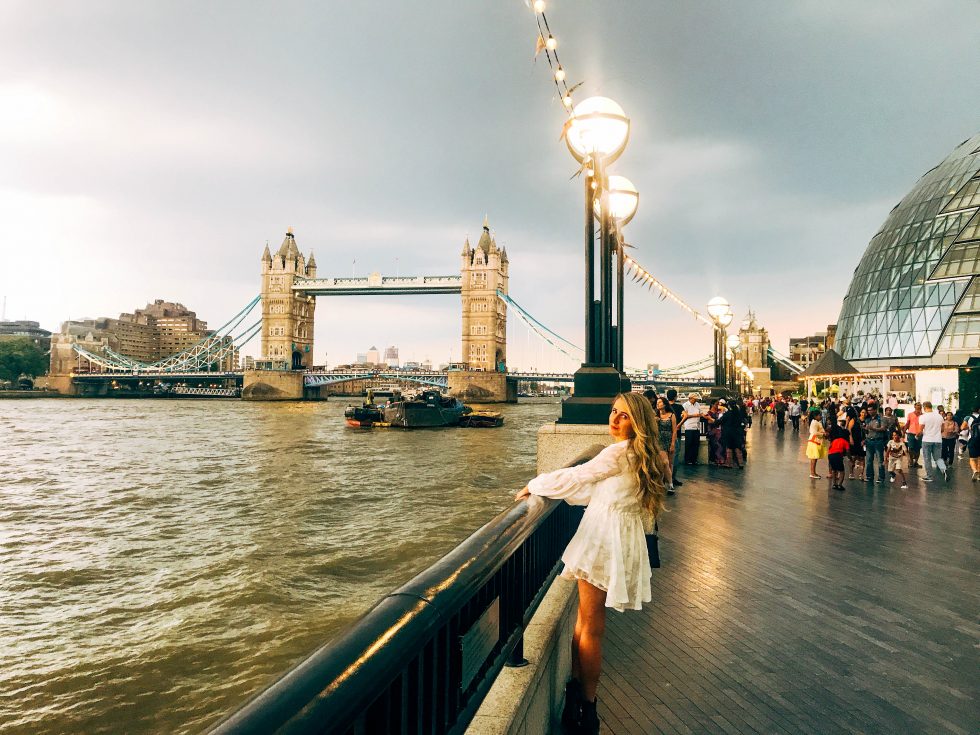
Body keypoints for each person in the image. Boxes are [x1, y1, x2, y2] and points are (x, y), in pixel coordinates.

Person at [515, 393, 670, 734]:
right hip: (619, 536)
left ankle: (588, 708)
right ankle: (576, 693)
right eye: (614, 412)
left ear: (638, 422)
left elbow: (578, 477)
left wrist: (534, 484)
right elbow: (598, 492)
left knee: (591, 629)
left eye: (624, 416)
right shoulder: (646, 455)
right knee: (584, 623)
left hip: (602, 539)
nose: (615, 420)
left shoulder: (616, 452)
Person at [918, 401, 947, 482]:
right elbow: (942, 429)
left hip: (927, 440)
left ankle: (929, 476)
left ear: (924, 407)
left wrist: (917, 436)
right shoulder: (939, 416)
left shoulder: (923, 417)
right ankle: (944, 469)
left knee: (927, 459)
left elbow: (920, 431)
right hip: (938, 440)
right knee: (938, 458)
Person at [655, 397, 677, 495]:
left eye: (659, 402)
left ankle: (666, 483)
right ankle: (671, 484)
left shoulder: (671, 415)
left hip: (669, 440)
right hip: (660, 441)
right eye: (657, 402)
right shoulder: (655, 415)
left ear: (664, 404)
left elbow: (674, 430)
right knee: (665, 462)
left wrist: (673, 443)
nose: (657, 404)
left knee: (670, 464)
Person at [664, 389, 684, 489]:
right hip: (676, 435)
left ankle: (665, 478)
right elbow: (686, 415)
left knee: (664, 458)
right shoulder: (679, 407)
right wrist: (679, 424)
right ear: (675, 397)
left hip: (664, 435)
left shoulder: (665, 407)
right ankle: (672, 478)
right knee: (674, 458)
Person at [863, 404, 887, 484]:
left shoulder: (881, 418)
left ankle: (881, 477)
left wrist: (873, 428)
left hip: (878, 441)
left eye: (871, 410)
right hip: (869, 441)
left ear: (875, 410)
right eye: (868, 410)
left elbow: (883, 428)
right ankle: (869, 476)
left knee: (880, 460)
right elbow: (866, 431)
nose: (869, 412)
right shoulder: (867, 419)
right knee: (869, 460)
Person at [719, 400, 746, 469]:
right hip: (737, 433)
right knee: (737, 448)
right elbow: (742, 421)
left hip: (729, 433)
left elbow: (720, 421)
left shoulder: (728, 414)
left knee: (729, 448)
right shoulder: (738, 413)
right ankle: (741, 463)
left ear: (729, 406)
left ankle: (729, 464)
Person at [681, 392, 703, 465]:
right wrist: (694, 415)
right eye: (694, 399)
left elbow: (701, 412)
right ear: (690, 399)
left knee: (696, 444)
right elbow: (684, 416)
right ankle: (687, 460)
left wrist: (701, 415)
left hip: (697, 427)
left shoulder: (697, 405)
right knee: (688, 444)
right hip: (689, 427)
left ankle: (694, 460)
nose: (696, 400)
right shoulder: (685, 405)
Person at [827, 422, 850, 491]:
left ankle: (834, 484)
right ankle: (840, 485)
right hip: (837, 455)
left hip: (830, 455)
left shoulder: (835, 440)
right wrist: (850, 458)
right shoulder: (845, 441)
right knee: (842, 471)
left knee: (834, 470)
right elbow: (848, 451)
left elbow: (830, 447)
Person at [806, 408, 826, 479]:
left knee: (814, 458)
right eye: (819, 415)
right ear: (816, 416)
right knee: (814, 458)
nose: (821, 417)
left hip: (816, 441)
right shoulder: (814, 422)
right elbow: (814, 432)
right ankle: (812, 473)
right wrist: (823, 434)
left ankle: (813, 472)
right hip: (814, 442)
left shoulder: (816, 422)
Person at [847, 407, 866, 480]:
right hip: (854, 440)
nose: (863, 414)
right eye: (862, 412)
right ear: (860, 413)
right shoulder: (854, 420)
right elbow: (849, 429)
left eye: (865, 412)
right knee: (853, 457)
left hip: (862, 442)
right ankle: (851, 473)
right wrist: (850, 438)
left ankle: (861, 474)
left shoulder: (867, 421)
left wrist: (864, 440)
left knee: (862, 457)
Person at [962, 406, 980, 481]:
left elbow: (962, 427)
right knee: (979, 458)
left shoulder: (968, 417)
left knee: (972, 458)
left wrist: (969, 428)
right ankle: (979, 474)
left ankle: (975, 470)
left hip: (972, 439)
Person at [906, 403, 923, 467]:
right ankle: (911, 461)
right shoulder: (910, 414)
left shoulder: (923, 415)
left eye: (919, 405)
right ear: (914, 406)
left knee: (918, 448)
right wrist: (904, 431)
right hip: (911, 433)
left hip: (919, 434)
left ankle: (916, 462)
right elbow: (908, 423)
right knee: (910, 448)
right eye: (917, 405)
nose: (918, 406)